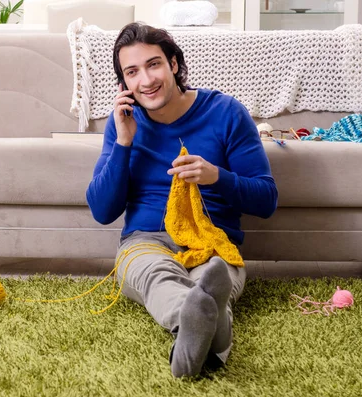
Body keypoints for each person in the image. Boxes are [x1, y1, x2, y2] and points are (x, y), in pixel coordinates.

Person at [86, 22, 278, 378]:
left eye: (154, 64)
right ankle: (203, 327)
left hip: (213, 241)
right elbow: (102, 210)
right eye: (132, 72)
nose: (146, 80)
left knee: (211, 276)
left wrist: (216, 176)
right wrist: (124, 143)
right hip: (146, 242)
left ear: (173, 64)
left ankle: (195, 337)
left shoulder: (226, 112)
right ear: (124, 84)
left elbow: (266, 199)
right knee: (158, 275)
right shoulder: (122, 123)